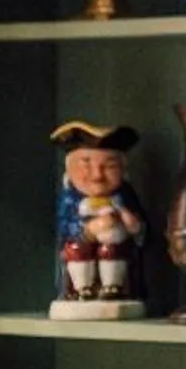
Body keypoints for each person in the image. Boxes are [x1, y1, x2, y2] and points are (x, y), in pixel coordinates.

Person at [50, 120, 145, 304]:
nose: (97, 175)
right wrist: (88, 230)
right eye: (86, 165)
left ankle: (113, 287)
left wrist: (134, 225)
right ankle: (82, 288)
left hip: (117, 249)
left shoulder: (124, 196)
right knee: (76, 249)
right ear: (70, 169)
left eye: (109, 167)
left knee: (113, 250)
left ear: (122, 169)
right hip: (79, 253)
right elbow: (63, 224)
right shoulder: (71, 198)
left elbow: (141, 228)